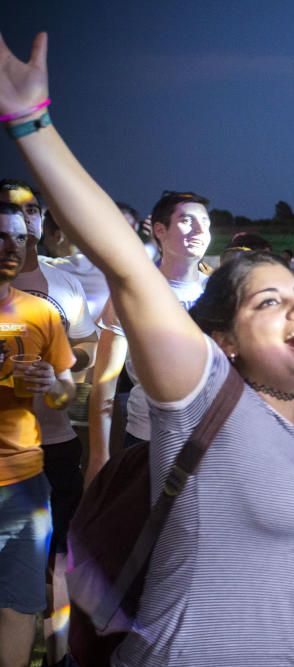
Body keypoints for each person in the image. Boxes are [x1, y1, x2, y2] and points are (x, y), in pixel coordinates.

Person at [1, 33, 294, 665]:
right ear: (222, 340)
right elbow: (126, 265)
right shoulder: (204, 396)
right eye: (268, 301)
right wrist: (33, 124)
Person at [5, 180, 98, 666]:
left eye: (31, 215)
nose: (22, 229)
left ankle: (59, 653)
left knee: (60, 558)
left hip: (53, 444)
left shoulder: (64, 288)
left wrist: (60, 367)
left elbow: (86, 348)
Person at [87, 190, 212, 485]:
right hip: (149, 438)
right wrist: (98, 456)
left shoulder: (223, 292)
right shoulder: (132, 294)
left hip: (213, 439)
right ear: (159, 230)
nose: (199, 230)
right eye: (186, 221)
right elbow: (105, 382)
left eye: (205, 222)